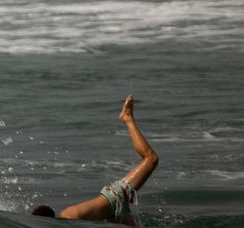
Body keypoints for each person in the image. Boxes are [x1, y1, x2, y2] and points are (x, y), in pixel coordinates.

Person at [32, 96, 159, 224]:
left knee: (151, 159)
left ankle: (128, 119)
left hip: (115, 196)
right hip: (113, 214)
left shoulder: (68, 216)